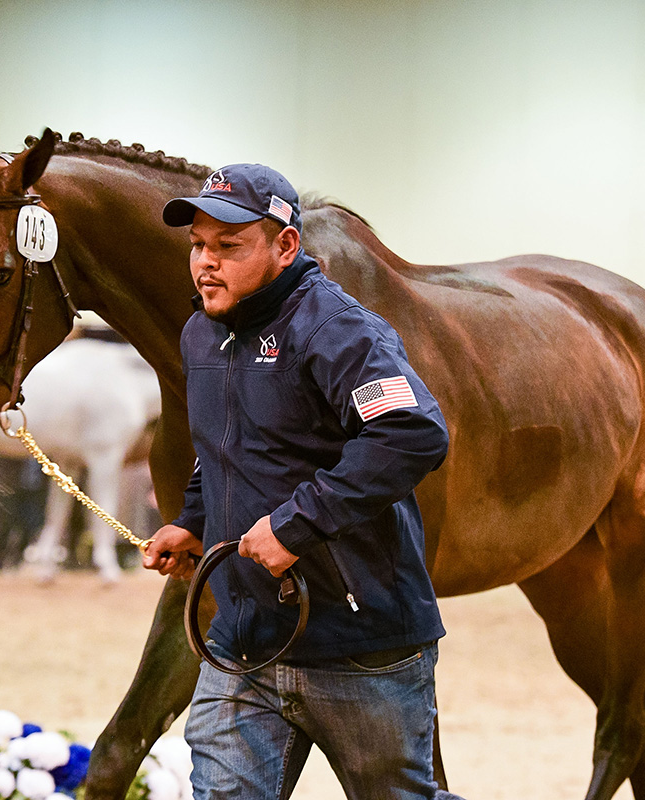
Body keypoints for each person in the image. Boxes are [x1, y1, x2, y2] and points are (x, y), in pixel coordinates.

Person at [143, 164, 464, 799]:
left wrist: (295, 525)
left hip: (363, 645)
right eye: (198, 246)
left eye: (228, 246)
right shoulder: (201, 335)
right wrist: (195, 521)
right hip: (242, 642)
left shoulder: (338, 331)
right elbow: (225, 448)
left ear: (286, 246)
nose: (206, 263)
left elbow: (412, 433)